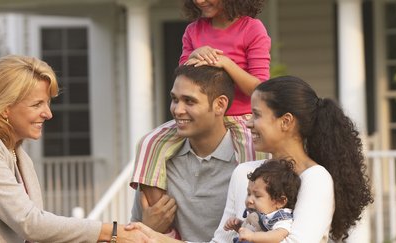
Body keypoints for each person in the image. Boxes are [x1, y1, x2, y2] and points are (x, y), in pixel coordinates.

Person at [127, 76, 373, 243]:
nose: (248, 122)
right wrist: (151, 236)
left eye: (256, 114)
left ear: (285, 121)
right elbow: (221, 241)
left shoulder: (315, 178)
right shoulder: (245, 172)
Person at [0, 55, 151, 243]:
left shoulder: (19, 156)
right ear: (4, 108)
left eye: (47, 103)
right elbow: (30, 223)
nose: (48, 113)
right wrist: (111, 232)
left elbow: (36, 231)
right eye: (37, 104)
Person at [131, 0, 271, 225]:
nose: (199, 0)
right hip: (199, 114)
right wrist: (195, 54)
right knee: (149, 143)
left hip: (242, 119)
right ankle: (165, 227)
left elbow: (261, 90)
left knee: (257, 162)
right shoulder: (193, 31)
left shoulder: (252, 29)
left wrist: (225, 62)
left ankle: (250, 225)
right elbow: (184, 76)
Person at [131, 64, 252, 242]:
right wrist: (148, 228)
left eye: (189, 101)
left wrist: (151, 234)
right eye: (174, 99)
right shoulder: (158, 162)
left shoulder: (248, 165)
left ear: (220, 105)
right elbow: (133, 232)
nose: (177, 110)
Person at [223, 159, 301, 243]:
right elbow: (251, 231)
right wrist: (239, 227)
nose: (249, 200)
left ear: (280, 201)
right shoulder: (255, 214)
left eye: (257, 196)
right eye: (249, 194)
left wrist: (253, 236)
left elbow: (278, 235)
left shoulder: (280, 218)